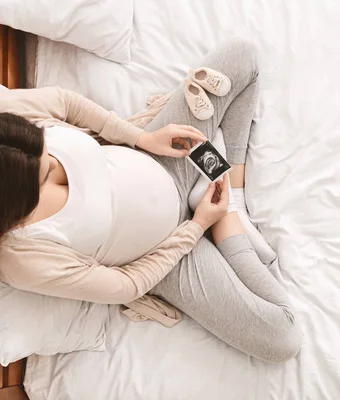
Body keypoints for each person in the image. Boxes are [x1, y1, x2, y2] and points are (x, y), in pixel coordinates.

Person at [0, 39, 302, 363]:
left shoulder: (9, 129)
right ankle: (228, 223)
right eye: (46, 174)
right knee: (282, 339)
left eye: (47, 144)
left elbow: (66, 104)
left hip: (160, 157)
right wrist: (199, 225)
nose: (54, 161)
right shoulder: (21, 258)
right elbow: (126, 285)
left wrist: (143, 138)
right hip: (169, 256)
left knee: (241, 57)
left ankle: (233, 196)